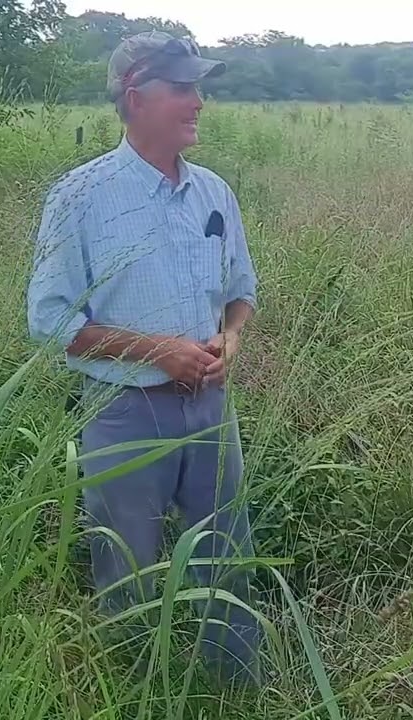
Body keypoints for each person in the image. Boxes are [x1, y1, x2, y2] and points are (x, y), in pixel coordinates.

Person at [25, 31, 262, 686]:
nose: (198, 102)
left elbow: (241, 294)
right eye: (183, 88)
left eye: (198, 88)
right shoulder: (80, 197)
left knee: (226, 560)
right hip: (124, 414)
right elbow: (49, 321)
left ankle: (235, 690)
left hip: (211, 409)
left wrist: (229, 340)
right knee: (127, 567)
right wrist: (157, 350)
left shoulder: (215, 193)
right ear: (136, 96)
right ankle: (132, 692)